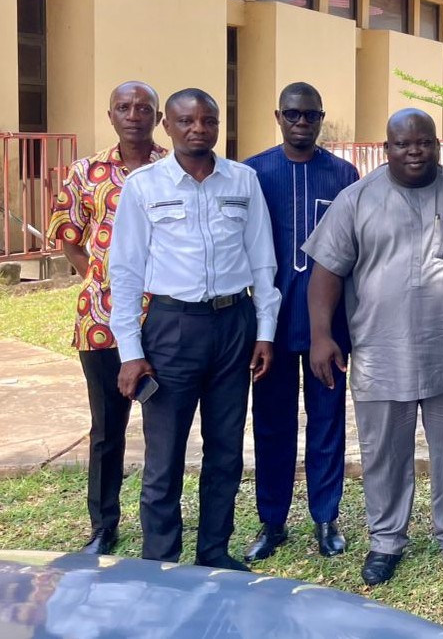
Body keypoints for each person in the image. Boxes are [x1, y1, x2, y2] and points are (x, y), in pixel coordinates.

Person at [303, 109, 443, 586]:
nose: (414, 151)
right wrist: (321, 335)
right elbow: (327, 272)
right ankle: (386, 540)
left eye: (424, 142)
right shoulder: (357, 199)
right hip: (381, 351)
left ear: (437, 145)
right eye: (403, 144)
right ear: (386, 148)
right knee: (384, 453)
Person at [109, 88, 281, 571]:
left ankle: (214, 553)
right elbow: (125, 271)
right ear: (167, 126)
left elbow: (262, 261)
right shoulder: (144, 186)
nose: (198, 129)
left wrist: (264, 332)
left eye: (208, 120)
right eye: (186, 121)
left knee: (225, 450)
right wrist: (130, 351)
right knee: (164, 455)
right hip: (172, 328)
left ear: (218, 126)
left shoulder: (243, 180)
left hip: (233, 325)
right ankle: (160, 560)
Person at [241, 83, 359, 562]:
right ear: (278, 116)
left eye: (310, 115)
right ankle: (272, 521)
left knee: (327, 422)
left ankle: (326, 518)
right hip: (271, 325)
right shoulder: (253, 172)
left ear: (321, 118)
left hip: (328, 328)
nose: (302, 123)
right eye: (293, 114)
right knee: (272, 424)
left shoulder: (344, 175)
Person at [47, 81, 166, 555]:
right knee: (106, 429)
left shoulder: (173, 170)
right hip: (100, 321)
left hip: (164, 320)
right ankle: (103, 526)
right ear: (110, 115)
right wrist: (99, 280)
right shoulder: (85, 173)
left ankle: (159, 525)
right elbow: (70, 237)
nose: (133, 114)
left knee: (162, 429)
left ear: (157, 117)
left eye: (143, 108)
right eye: (124, 107)